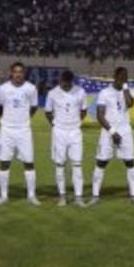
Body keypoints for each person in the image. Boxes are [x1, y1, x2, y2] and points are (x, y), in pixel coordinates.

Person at [91, 67, 134, 205]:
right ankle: (95, 196)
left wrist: (125, 88)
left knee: (130, 162)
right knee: (101, 162)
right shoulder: (104, 93)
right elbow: (100, 116)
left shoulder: (128, 91)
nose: (123, 79)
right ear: (115, 76)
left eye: (125, 77)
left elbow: (130, 104)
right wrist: (112, 131)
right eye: (121, 76)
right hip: (108, 131)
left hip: (125, 130)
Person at [0, 62, 40, 205]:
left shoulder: (31, 88)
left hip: (24, 130)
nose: (18, 74)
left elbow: (33, 107)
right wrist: (8, 120)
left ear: (24, 73)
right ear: (11, 72)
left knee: (29, 162)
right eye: (15, 71)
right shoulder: (3, 89)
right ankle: (3, 196)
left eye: (21, 72)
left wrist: (23, 119)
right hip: (7, 130)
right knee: (4, 162)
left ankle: (31, 196)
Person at [44, 69, 87, 206]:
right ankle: (62, 196)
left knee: (77, 164)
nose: (66, 86)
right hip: (59, 132)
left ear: (71, 81)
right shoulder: (53, 93)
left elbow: (84, 110)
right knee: (60, 164)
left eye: (68, 83)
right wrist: (56, 124)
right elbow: (48, 112)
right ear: (60, 80)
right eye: (63, 83)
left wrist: (75, 122)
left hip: (75, 131)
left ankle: (78, 197)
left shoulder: (80, 91)